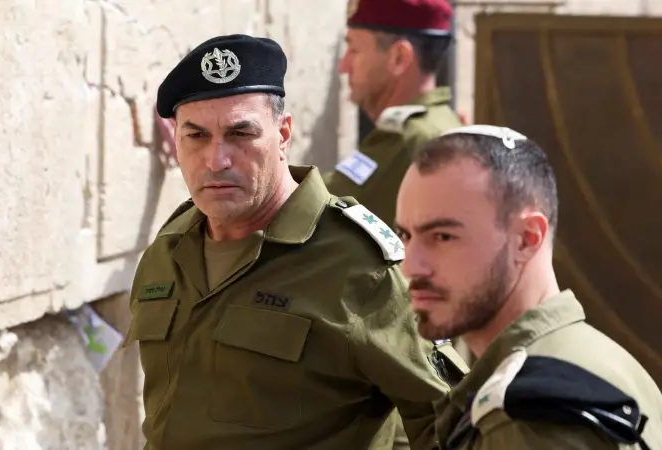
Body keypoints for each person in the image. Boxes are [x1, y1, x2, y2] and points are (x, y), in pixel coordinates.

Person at [123, 33, 468, 450]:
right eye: (196, 136)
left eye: (241, 133)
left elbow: (452, 425)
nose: (216, 160)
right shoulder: (169, 249)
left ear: (283, 134)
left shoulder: (358, 266)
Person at [394, 124, 662, 449]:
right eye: (406, 235)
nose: (411, 266)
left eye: (443, 237)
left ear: (526, 239)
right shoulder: (600, 361)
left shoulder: (529, 420)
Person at [322, 0, 462, 225]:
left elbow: (318, 208)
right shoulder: (441, 122)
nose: (344, 66)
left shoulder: (410, 138)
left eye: (354, 50)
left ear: (399, 58)